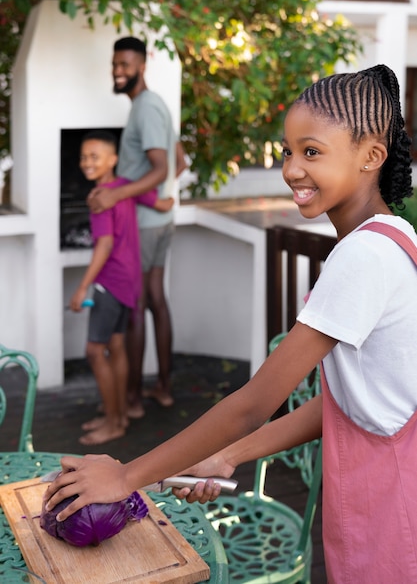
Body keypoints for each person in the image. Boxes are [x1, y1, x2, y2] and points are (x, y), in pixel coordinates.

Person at [46, 65, 417, 583]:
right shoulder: (392, 236)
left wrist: (126, 476)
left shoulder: (364, 257)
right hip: (374, 489)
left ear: (371, 155)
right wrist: (225, 457)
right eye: (288, 151)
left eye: (312, 152)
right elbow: (348, 401)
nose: (291, 169)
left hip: (393, 507)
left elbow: (252, 404)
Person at [87, 37, 187, 419]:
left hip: (143, 226)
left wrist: (119, 196)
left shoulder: (145, 108)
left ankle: (131, 400)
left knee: (137, 307)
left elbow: (163, 168)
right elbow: (180, 161)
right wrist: (159, 197)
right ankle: (162, 388)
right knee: (156, 300)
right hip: (159, 220)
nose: (118, 71)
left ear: (142, 66)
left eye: (125, 64)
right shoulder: (157, 105)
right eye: (115, 64)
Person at [71, 130, 173, 446]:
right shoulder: (125, 188)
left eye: (95, 156)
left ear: (112, 159)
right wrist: (168, 201)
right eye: (84, 157)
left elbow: (104, 244)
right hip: (130, 280)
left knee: (93, 350)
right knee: (116, 346)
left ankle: (115, 422)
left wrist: (82, 287)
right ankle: (117, 415)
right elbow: (158, 201)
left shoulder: (101, 197)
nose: (87, 162)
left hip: (109, 281)